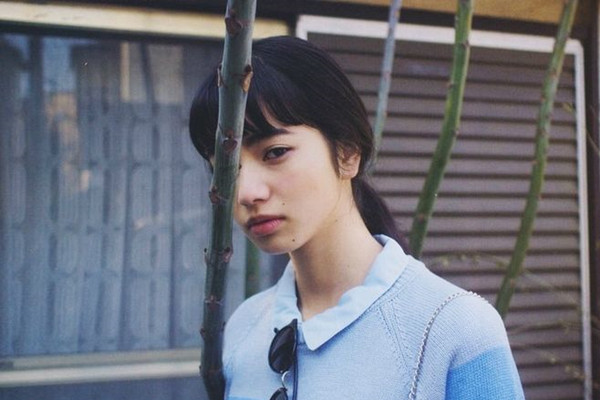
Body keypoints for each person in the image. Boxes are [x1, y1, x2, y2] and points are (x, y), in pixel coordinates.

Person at [189, 36, 524, 400]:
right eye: (225, 168)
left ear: (348, 153)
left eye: (275, 152)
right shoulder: (244, 327)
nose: (245, 192)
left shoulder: (452, 329)